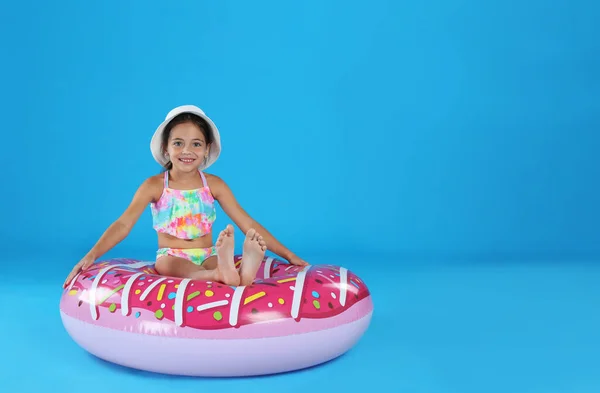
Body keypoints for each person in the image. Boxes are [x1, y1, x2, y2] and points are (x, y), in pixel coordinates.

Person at [63, 105, 308, 289]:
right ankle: (231, 275)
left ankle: (229, 272)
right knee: (171, 268)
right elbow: (123, 224)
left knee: (215, 266)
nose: (187, 151)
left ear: (207, 149)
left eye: (196, 144)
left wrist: (290, 256)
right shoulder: (155, 186)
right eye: (178, 143)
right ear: (165, 148)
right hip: (172, 255)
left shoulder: (213, 185)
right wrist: (92, 254)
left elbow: (248, 224)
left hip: (209, 254)